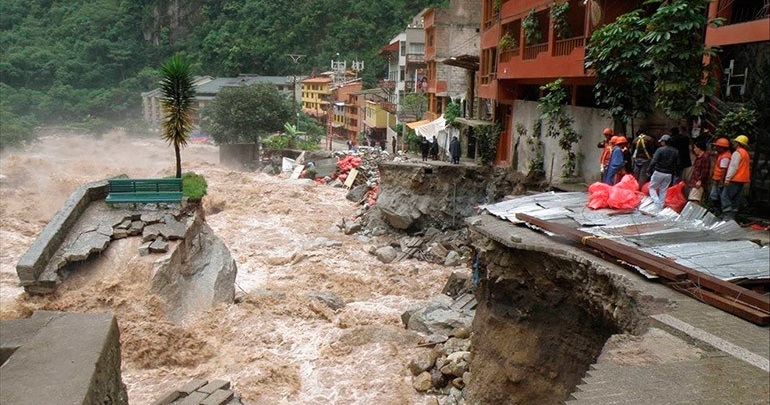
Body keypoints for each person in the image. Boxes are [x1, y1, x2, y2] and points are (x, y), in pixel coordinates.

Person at [720, 135, 751, 221]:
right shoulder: (745, 153)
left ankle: (727, 216)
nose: (733, 143)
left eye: (735, 142)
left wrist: (727, 179)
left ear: (738, 143)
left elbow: (733, 167)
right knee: (735, 198)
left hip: (735, 178)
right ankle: (732, 217)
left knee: (725, 197)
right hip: (742, 180)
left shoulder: (737, 153)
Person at [646, 134, 680, 208]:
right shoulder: (676, 151)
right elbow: (677, 164)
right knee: (663, 190)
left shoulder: (660, 150)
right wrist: (676, 173)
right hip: (669, 174)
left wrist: (649, 170)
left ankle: (657, 203)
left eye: (661, 141)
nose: (661, 143)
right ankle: (660, 206)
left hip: (658, 172)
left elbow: (654, 161)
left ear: (664, 142)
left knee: (652, 188)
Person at [708, 137, 732, 214]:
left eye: (717, 146)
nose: (716, 148)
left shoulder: (725, 157)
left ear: (722, 148)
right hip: (717, 179)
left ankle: (719, 211)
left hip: (719, 180)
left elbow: (723, 170)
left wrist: (721, 181)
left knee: (716, 196)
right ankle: (717, 210)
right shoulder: (722, 154)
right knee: (715, 195)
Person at [687, 139, 710, 205]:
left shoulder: (705, 157)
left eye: (695, 147)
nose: (694, 149)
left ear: (699, 148)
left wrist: (700, 180)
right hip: (695, 181)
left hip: (698, 182)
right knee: (693, 199)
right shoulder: (699, 157)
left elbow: (705, 170)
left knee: (694, 199)